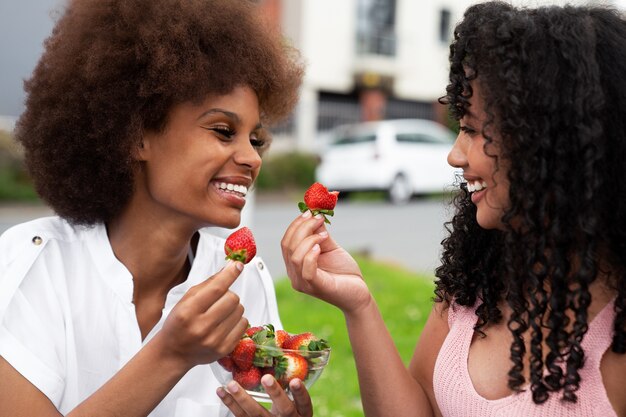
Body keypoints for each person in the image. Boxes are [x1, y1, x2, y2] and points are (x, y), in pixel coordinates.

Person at [280, 2, 626, 416]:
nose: (454, 156)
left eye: (475, 130)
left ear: (554, 145)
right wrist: (360, 305)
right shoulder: (475, 280)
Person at [0, 0, 311, 416]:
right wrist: (171, 353)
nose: (252, 158)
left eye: (254, 139)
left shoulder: (242, 278)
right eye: (223, 131)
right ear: (136, 137)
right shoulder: (36, 265)